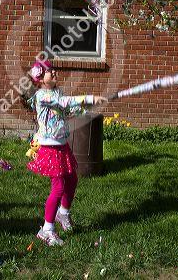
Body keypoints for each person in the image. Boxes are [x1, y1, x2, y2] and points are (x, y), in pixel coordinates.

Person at [25, 58, 108, 246]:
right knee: (58, 187)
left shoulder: (56, 92)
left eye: (54, 70)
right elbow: (62, 102)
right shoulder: (42, 96)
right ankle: (47, 229)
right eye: (49, 71)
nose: (54, 73)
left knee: (72, 179)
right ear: (40, 78)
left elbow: (66, 109)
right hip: (49, 147)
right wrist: (88, 97)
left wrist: (83, 108)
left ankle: (63, 214)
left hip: (62, 144)